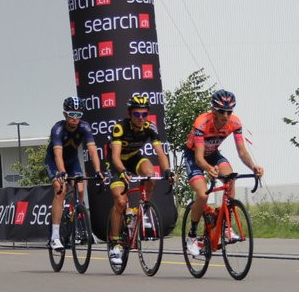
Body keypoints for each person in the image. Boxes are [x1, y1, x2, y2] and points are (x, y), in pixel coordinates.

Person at [183, 89, 264, 258]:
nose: (225, 115)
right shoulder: (202, 123)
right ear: (213, 109)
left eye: (229, 111)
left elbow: (242, 152)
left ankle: (225, 225)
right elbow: (199, 158)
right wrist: (208, 169)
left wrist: (253, 167)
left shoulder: (235, 122)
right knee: (203, 195)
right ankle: (191, 236)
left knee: (230, 178)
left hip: (213, 154)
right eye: (221, 111)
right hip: (194, 157)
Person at [107, 94, 172, 266]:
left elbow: (160, 153)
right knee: (120, 202)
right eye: (137, 114)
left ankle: (143, 209)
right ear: (130, 114)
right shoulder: (120, 128)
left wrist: (168, 171)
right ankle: (115, 244)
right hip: (117, 164)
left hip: (135, 158)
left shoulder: (150, 127)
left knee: (150, 173)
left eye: (144, 114)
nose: (141, 118)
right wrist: (122, 171)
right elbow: (115, 156)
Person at [45, 97, 106, 251]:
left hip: (72, 161)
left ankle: (73, 215)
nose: (75, 118)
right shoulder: (58, 129)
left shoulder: (85, 127)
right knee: (61, 189)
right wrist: (62, 173)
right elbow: (58, 155)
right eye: (72, 114)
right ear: (65, 114)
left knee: (79, 189)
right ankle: (55, 237)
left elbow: (93, 151)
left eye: (79, 114)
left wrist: (98, 171)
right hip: (55, 161)